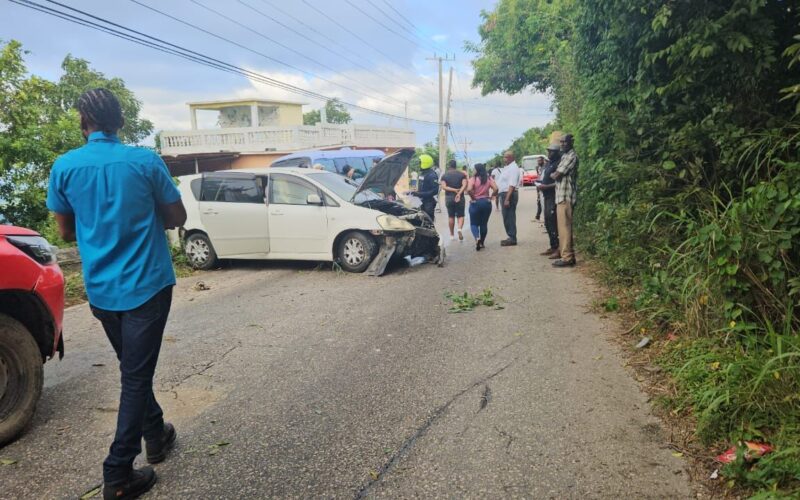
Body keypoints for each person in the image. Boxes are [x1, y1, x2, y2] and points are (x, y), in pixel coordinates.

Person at [47, 89, 186, 499]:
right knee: (135, 375)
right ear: (120, 122)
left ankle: (156, 433)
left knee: (133, 368)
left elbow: (66, 231)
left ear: (82, 122)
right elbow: (177, 216)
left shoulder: (65, 167)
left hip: (102, 290)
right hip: (147, 285)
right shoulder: (144, 160)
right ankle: (118, 472)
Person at [551, 134, 578, 267]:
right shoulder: (565, 156)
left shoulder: (572, 156)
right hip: (560, 196)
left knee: (565, 227)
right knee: (562, 228)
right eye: (561, 142)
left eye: (565, 142)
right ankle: (567, 255)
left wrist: (553, 174)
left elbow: (557, 174)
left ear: (571, 142)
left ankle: (567, 257)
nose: (562, 144)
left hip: (566, 196)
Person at [467, 163, 498, 251]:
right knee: (483, 224)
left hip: (475, 203)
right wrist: (492, 197)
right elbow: (496, 189)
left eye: (474, 169)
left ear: (477, 170)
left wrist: (473, 198)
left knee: (474, 223)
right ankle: (482, 243)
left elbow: (469, 190)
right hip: (486, 203)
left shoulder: (473, 179)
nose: (473, 171)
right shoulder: (488, 178)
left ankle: (477, 238)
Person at [537, 143, 561, 257]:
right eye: (548, 151)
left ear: (556, 153)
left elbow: (558, 182)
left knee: (553, 221)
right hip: (546, 196)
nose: (549, 153)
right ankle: (553, 246)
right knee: (547, 221)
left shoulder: (558, 163)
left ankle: (558, 247)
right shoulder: (549, 163)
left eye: (551, 151)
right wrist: (540, 183)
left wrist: (546, 186)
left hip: (553, 196)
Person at [497, 150, 522, 246]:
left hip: (509, 194)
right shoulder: (508, 168)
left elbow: (512, 185)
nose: (504, 159)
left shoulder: (513, 168)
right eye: (504, 157)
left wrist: (507, 199)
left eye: (506, 157)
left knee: (509, 216)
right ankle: (510, 236)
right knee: (506, 217)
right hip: (505, 194)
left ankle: (512, 238)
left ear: (511, 158)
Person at [441, 159, 467, 241]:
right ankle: (459, 228)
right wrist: (459, 193)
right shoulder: (462, 174)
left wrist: (453, 190)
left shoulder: (445, 175)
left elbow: (443, 187)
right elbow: (464, 185)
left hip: (449, 198)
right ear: (456, 165)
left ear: (449, 166)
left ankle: (452, 235)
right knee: (461, 215)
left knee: (451, 216)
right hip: (460, 198)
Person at [410, 153, 439, 221]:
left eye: (420, 163)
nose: (419, 164)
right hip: (421, 201)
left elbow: (435, 191)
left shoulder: (432, 175)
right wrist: (414, 192)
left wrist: (419, 194)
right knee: (421, 219)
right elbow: (422, 187)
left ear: (425, 163)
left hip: (429, 202)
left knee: (428, 221)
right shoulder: (422, 173)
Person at [534, 156, 546, 221]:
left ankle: (539, 216)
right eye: (538, 161)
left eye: (540, 161)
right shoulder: (537, 167)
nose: (538, 162)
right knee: (539, 200)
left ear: (543, 161)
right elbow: (538, 176)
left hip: (543, 185)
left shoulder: (545, 167)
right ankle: (538, 215)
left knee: (542, 202)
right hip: (538, 185)